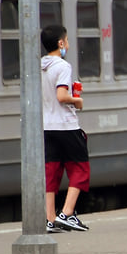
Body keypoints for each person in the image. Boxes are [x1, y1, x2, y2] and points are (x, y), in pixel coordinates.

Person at [41, 25, 90, 233]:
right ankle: (67, 213)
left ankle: (50, 219)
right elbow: (62, 96)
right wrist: (77, 101)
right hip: (66, 126)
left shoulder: (40, 66)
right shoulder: (62, 66)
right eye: (67, 41)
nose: (68, 45)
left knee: (51, 173)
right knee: (80, 169)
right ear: (60, 43)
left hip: (47, 127)